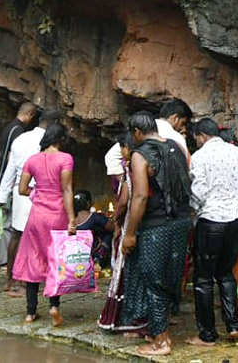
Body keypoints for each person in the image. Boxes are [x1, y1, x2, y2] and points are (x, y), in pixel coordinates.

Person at [122, 110, 192, 356]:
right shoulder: (177, 147)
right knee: (171, 278)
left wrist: (129, 233)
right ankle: (158, 331)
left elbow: (140, 196)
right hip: (182, 222)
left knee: (153, 281)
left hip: (156, 226)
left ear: (137, 133)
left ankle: (161, 342)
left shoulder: (141, 155)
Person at [187, 116, 238, 347]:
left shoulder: (200, 156)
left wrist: (193, 213)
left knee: (204, 278)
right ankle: (233, 325)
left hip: (211, 221)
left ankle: (207, 334)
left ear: (202, 136)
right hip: (236, 221)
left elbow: (199, 191)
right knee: (226, 274)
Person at [14, 122, 75, 326]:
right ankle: (54, 307)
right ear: (61, 140)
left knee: (34, 259)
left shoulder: (33, 160)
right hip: (58, 215)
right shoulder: (65, 159)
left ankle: (30, 312)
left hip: (37, 216)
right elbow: (67, 190)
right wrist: (72, 219)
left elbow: (22, 188)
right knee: (55, 260)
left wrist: (37, 195)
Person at [0, 107, 60, 295]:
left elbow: (10, 169)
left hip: (19, 191)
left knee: (17, 234)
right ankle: (25, 281)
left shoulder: (21, 139)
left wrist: (1, 195)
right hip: (39, 193)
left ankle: (10, 279)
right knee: (34, 238)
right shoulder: (49, 143)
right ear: (55, 124)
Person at [100, 131, 148, 333]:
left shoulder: (131, 169)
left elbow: (124, 201)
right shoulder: (150, 164)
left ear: (127, 149)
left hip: (130, 223)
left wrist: (114, 219)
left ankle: (125, 319)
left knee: (125, 270)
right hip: (149, 225)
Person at [0, 102, 38, 271]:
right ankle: (4, 261)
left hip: (7, 182)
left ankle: (4, 261)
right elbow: (11, 160)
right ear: (31, 115)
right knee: (10, 226)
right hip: (10, 183)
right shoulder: (17, 131)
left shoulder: (9, 128)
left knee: (9, 224)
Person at [74, 189, 114, 268]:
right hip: (92, 252)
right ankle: (99, 259)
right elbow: (112, 228)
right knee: (109, 234)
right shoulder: (96, 217)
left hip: (77, 254)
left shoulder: (71, 219)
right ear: (89, 203)